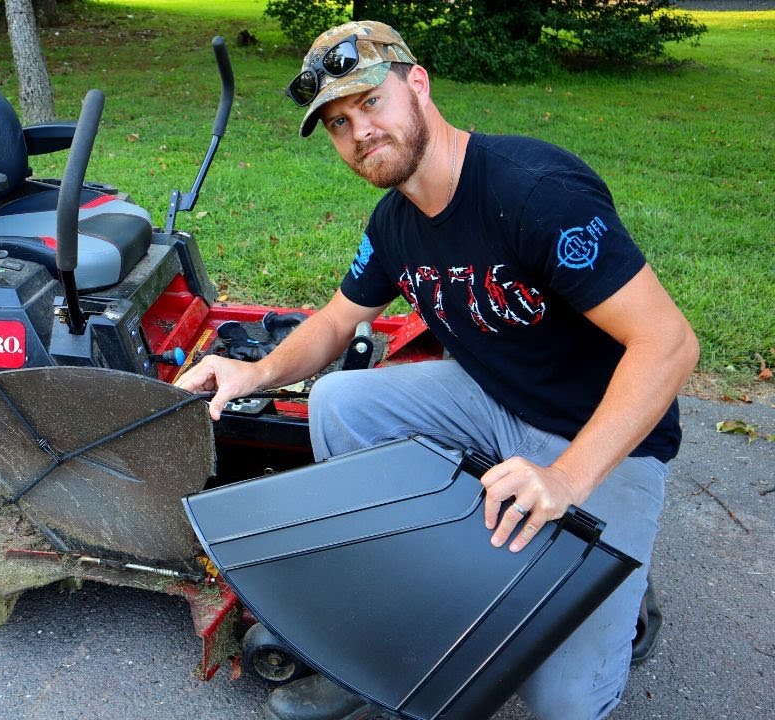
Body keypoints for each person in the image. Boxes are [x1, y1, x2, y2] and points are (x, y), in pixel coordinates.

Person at [175, 20, 698, 720]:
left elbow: (669, 345)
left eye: (370, 103)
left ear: (416, 85)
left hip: (606, 437)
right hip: (496, 401)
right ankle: (406, 597)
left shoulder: (536, 192)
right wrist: (254, 373)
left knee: (563, 705)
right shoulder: (395, 223)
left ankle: (619, 582)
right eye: (337, 123)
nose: (358, 131)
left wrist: (568, 477)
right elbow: (336, 322)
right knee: (341, 401)